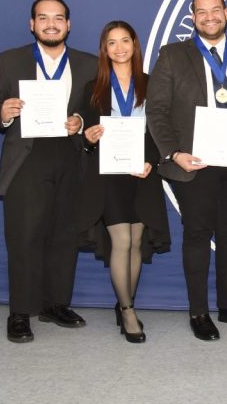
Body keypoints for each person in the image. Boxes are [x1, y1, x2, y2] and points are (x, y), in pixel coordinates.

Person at [146, 0, 227, 341]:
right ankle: (198, 312)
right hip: (193, 162)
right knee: (198, 235)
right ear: (193, 17)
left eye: (216, 10)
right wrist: (173, 153)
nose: (209, 17)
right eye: (202, 11)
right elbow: (156, 111)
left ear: (226, 13)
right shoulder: (172, 55)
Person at [0, 0, 97, 343]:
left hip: (70, 156)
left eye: (58, 18)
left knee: (64, 235)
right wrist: (2, 112)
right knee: (24, 236)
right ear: (32, 24)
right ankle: (20, 312)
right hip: (27, 157)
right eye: (43, 18)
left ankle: (55, 304)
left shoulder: (89, 64)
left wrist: (80, 121)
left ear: (68, 24)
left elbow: (95, 111)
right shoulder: (11, 59)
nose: (51, 24)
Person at [77, 21, 171, 343]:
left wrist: (152, 161)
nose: (119, 48)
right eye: (112, 42)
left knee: (136, 239)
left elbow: (161, 129)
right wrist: (88, 138)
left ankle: (123, 303)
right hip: (108, 173)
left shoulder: (152, 84)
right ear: (104, 49)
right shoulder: (93, 87)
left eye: (125, 41)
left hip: (143, 171)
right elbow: (85, 135)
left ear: (135, 44)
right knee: (121, 240)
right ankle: (129, 310)